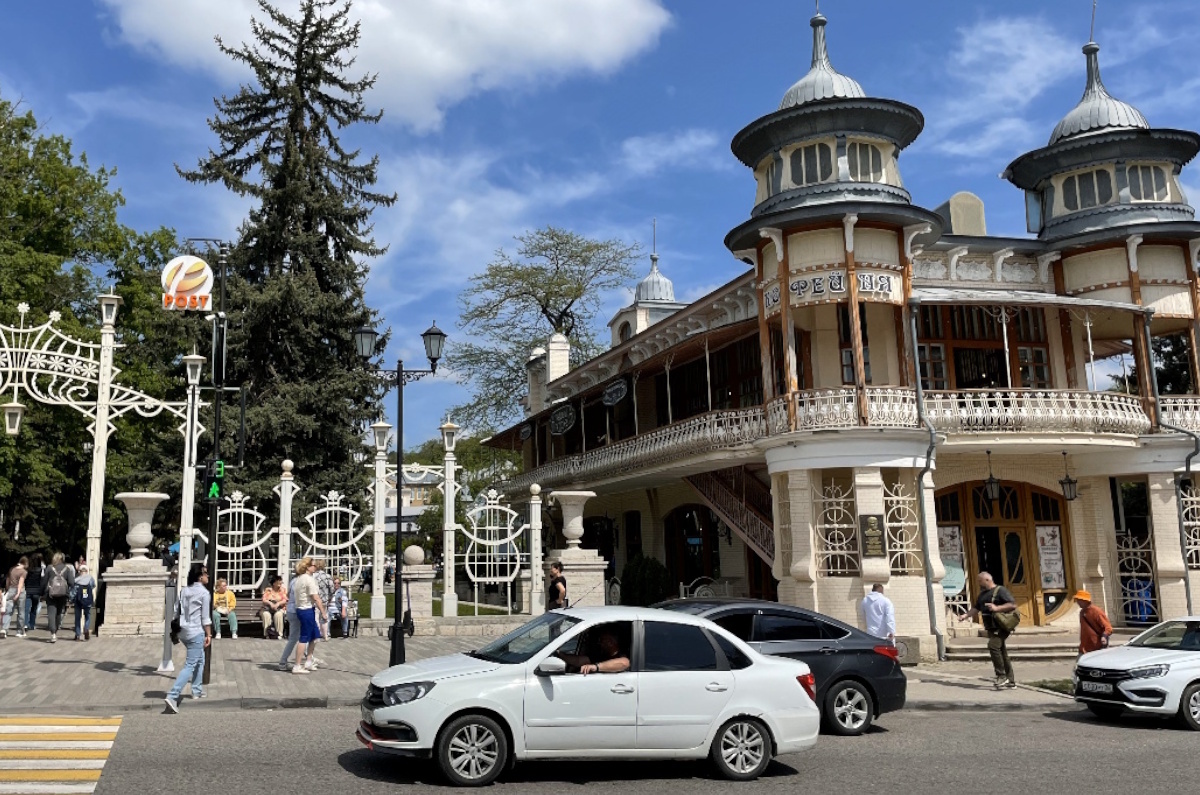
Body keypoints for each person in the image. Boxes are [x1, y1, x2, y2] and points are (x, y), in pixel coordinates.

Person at [164, 563, 213, 712]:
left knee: (200, 658)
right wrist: (209, 634)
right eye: (205, 573)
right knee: (190, 665)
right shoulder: (204, 593)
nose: (208, 576)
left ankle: (196, 690)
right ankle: (173, 695)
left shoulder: (184, 590)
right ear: (200, 577)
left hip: (182, 630)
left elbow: (177, 609)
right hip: (195, 631)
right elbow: (205, 618)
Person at [959, 571, 1019, 689]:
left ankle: (1001, 676)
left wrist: (997, 608)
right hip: (991, 627)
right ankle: (1010, 680)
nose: (979, 584)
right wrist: (965, 616)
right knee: (1002, 652)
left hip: (1001, 626)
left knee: (993, 646)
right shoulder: (982, 594)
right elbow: (977, 608)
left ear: (987, 580)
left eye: (980, 581)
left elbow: (1012, 605)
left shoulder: (1000, 591)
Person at [291, 557, 327, 674]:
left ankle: (309, 661)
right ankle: (297, 665)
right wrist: (323, 612)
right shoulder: (308, 579)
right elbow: (315, 597)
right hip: (306, 609)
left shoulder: (299, 579)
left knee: (314, 636)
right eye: (313, 565)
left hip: (304, 609)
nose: (315, 567)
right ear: (307, 567)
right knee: (304, 638)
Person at [556, 626, 630, 675]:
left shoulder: (621, 655)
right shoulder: (601, 655)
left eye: (603, 640)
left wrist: (595, 667)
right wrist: (560, 655)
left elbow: (625, 663)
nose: (600, 643)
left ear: (611, 642)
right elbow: (579, 661)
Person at [43, 552, 75, 644]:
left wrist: (42, 592)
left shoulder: (49, 568)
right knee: (58, 613)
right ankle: (55, 631)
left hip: (51, 594)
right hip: (63, 594)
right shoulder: (67, 569)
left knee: (51, 613)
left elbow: (44, 581)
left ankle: (53, 633)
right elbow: (72, 583)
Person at [1075, 589, 1113, 656]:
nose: (1077, 602)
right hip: (1084, 647)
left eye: (1079, 600)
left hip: (1096, 647)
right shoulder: (1082, 612)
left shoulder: (1096, 612)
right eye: (1077, 600)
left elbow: (1108, 627)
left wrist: (1104, 636)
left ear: (1085, 601)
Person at [2, 556, 27, 638]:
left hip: (11, 589)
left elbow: (7, 580)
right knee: (21, 611)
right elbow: (20, 583)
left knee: (8, 611)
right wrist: (18, 593)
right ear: (25, 563)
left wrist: (7, 589)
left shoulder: (12, 569)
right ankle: (19, 631)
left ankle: (4, 629)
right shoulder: (23, 571)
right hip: (20, 592)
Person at [72, 563, 96, 641]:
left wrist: (71, 599)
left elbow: (73, 592)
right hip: (87, 600)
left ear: (80, 571)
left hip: (78, 601)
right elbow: (93, 586)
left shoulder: (76, 580)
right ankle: (86, 629)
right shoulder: (90, 579)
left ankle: (78, 634)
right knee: (87, 616)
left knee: (77, 618)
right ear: (87, 571)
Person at [313, 559, 335, 641]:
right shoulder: (328, 576)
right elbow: (332, 589)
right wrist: (329, 597)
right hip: (325, 600)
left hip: (315, 599)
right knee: (324, 618)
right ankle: (325, 635)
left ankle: (317, 635)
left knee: (316, 618)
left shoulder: (313, 576)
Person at [24, 553, 44, 632]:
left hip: (28, 590)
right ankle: (32, 624)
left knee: (26, 608)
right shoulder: (40, 570)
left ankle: (25, 624)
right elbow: (41, 581)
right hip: (36, 591)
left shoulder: (27, 570)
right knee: (34, 609)